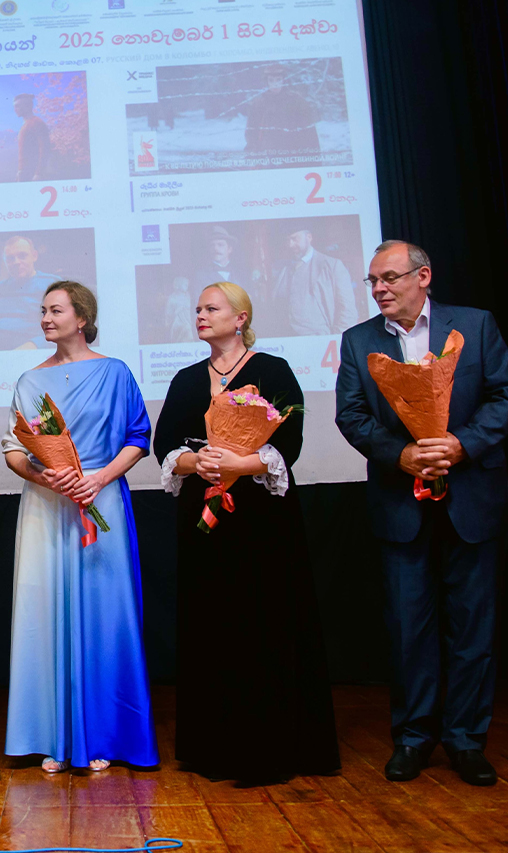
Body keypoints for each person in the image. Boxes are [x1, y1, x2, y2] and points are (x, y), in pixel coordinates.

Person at [335, 240, 508, 786]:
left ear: (424, 277)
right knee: (407, 629)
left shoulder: (476, 325)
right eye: (373, 281)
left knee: (473, 629)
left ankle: (466, 741)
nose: (379, 289)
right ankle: (413, 739)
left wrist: (462, 445)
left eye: (390, 278)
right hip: (401, 503)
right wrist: (401, 455)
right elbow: (351, 415)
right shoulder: (358, 340)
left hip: (473, 499)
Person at [154, 281, 339, 785]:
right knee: (211, 624)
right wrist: (196, 462)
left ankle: (269, 748)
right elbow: (165, 445)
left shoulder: (272, 370)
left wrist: (240, 464)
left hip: (261, 522)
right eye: (197, 308)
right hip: (205, 522)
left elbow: (289, 440)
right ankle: (215, 747)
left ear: (240, 318)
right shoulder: (186, 379)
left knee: (264, 621)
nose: (200, 315)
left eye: (211, 308)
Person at [2, 281, 158, 773]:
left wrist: (98, 479)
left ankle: (106, 736)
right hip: (47, 504)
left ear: (82, 318)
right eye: (43, 311)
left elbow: (139, 437)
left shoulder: (115, 372)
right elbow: (14, 449)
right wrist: (42, 476)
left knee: (106, 613)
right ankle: (53, 736)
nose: (46, 318)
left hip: (101, 498)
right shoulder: (29, 379)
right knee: (44, 613)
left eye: (56, 310)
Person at [0, 235, 60, 350]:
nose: (16, 262)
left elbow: (65, 325)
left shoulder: (53, 284)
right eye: (10, 258)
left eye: (22, 256)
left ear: (34, 256)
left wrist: (36, 344)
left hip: (33, 350)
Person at [271, 229, 358, 336]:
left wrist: (335, 340)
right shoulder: (282, 269)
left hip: (321, 341)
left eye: (294, 239)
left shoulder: (332, 266)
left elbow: (348, 312)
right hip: (286, 341)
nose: (290, 245)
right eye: (287, 240)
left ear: (309, 237)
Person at [243, 64, 321, 156]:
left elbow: (309, 134)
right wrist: (253, 154)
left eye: (278, 80)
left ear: (284, 80)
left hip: (292, 155)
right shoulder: (258, 104)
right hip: (267, 156)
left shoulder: (297, 102)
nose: (275, 84)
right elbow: (251, 133)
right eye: (271, 80)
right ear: (266, 82)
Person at [188, 226, 253, 311]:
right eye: (212, 245)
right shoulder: (201, 276)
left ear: (229, 249)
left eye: (220, 245)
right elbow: (199, 305)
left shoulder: (241, 274)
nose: (216, 248)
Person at [14, 93, 50, 182]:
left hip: (33, 174)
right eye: (15, 106)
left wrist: (38, 173)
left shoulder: (37, 123)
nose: (15, 109)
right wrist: (20, 170)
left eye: (18, 106)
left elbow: (44, 149)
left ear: (28, 106)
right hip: (24, 173)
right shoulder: (26, 124)